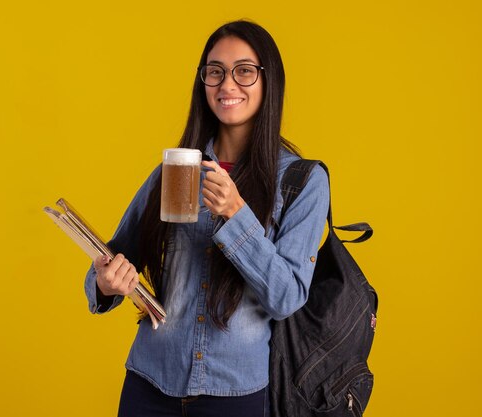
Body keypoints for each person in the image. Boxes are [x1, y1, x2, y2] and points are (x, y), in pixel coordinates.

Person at [84, 20, 330, 417]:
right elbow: (112, 255)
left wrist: (236, 216)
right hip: (149, 383)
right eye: (215, 72)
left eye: (244, 71)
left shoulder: (302, 181)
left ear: (269, 81)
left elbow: (286, 297)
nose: (227, 85)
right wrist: (106, 282)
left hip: (236, 395)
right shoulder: (176, 169)